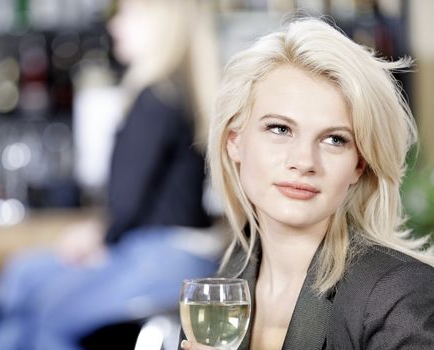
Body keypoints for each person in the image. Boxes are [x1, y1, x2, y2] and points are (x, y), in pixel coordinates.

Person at [179, 18, 434, 350]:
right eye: (280, 129)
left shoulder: (398, 296)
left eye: (334, 139)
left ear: (359, 164)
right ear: (234, 141)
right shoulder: (216, 294)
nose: (304, 161)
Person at [0, 1, 224, 350]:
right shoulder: (177, 93)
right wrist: (106, 236)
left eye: (126, 15)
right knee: (26, 279)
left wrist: (102, 238)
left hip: (159, 257)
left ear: (160, 24)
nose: (115, 27)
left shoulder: (155, 99)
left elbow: (127, 202)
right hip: (176, 256)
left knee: (43, 309)